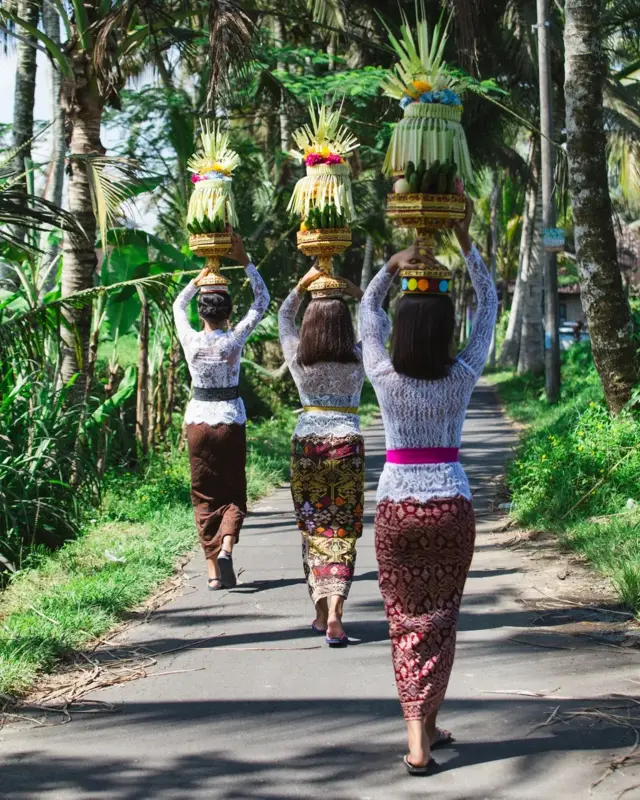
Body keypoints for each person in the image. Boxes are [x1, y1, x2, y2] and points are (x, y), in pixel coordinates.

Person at [360, 199, 498, 775]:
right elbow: (489, 305)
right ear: (446, 329)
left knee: (405, 621)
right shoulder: (462, 375)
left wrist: (392, 265)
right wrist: (465, 242)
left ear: (402, 329)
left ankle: (419, 735)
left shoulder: (383, 373)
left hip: (396, 509)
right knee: (440, 617)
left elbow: (367, 312)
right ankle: (427, 725)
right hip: (450, 506)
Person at [173, 233, 270, 591]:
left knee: (204, 494)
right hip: (230, 418)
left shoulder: (191, 340)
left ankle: (213, 572)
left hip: (198, 420)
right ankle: (227, 548)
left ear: (203, 312)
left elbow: (177, 308)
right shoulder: (234, 339)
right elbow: (261, 303)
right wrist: (244, 260)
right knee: (233, 489)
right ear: (228, 313)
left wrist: (194, 282)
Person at [278, 266, 365, 647]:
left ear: (309, 324)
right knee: (340, 531)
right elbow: (382, 322)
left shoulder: (299, 358)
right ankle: (334, 615)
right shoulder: (359, 356)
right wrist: (357, 291)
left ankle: (319, 612)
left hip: (308, 447)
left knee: (314, 530)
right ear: (346, 326)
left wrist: (302, 283)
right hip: (347, 445)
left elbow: (283, 315)